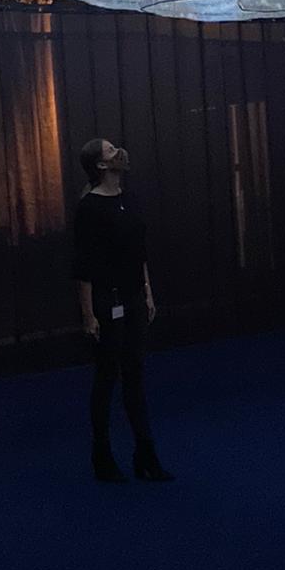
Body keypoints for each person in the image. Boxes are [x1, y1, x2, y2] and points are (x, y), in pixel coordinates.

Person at [72, 138, 174, 484]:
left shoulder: (128, 199)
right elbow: (83, 265)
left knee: (135, 374)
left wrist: (147, 291)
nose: (119, 153)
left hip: (132, 297)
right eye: (111, 151)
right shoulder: (89, 207)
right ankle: (102, 454)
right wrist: (88, 314)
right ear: (101, 165)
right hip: (107, 300)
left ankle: (145, 453)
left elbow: (138, 251)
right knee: (106, 377)